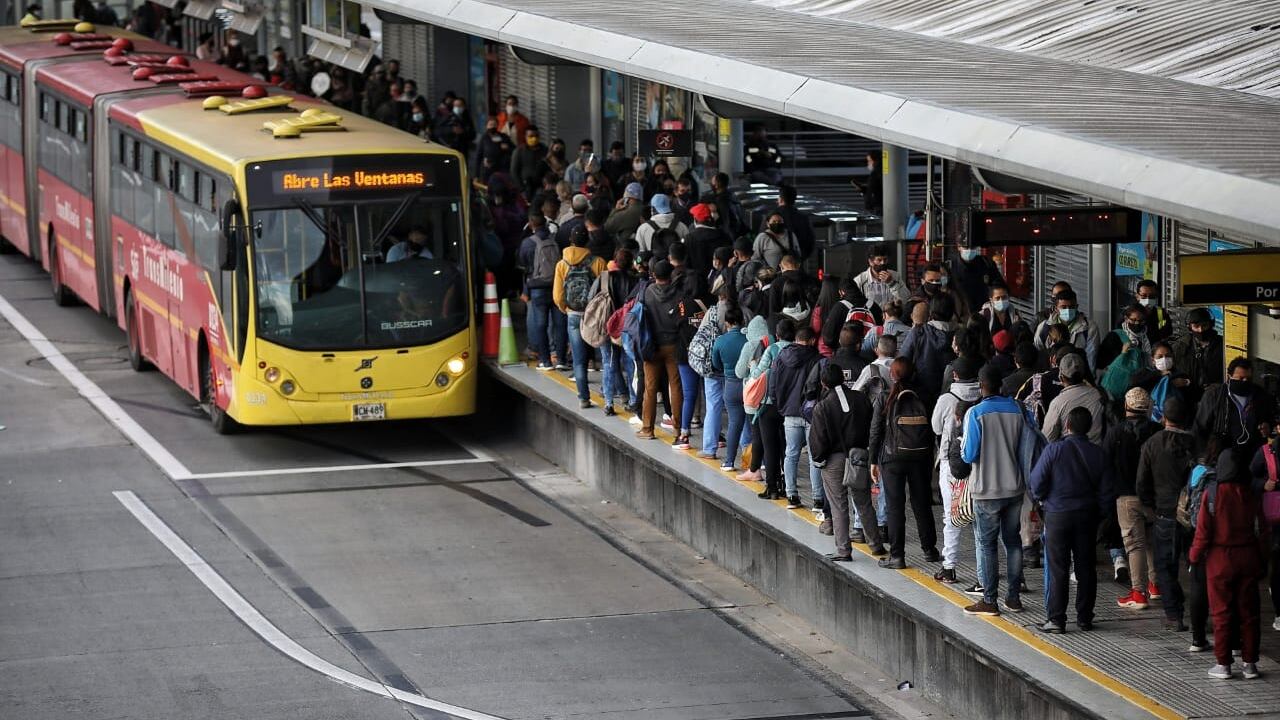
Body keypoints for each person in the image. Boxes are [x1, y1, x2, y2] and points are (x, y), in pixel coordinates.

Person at [1030, 407, 1114, 633]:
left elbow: (1036, 482)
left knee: (1059, 568)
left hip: (1057, 515)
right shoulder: (1098, 454)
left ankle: (1056, 620)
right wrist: (1101, 517)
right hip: (1087, 516)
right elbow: (1107, 492)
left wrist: (1042, 500)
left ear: (1067, 425)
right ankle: (1085, 617)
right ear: (1090, 427)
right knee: (1086, 567)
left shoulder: (1054, 450)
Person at [1191, 448, 1268, 680]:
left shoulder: (1212, 494)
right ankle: (1250, 664)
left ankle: (1223, 664)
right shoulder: (1251, 494)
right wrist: (1262, 560)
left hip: (1219, 560)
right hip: (1247, 558)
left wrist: (1194, 557)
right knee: (1249, 613)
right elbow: (1262, 531)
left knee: (1222, 613)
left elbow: (1203, 532)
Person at [960, 366, 1031, 616]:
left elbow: (969, 454)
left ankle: (989, 600)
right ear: (1000, 386)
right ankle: (1013, 598)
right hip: (1014, 488)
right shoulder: (1020, 410)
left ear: (981, 386)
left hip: (987, 489)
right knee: (1012, 541)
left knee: (986, 543)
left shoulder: (975, 413)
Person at [868, 357, 940, 569]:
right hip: (921, 457)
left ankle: (897, 556)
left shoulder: (885, 398)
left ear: (892, 375)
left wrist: (873, 460)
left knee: (895, 506)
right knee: (922, 502)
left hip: (892, 458)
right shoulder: (925, 396)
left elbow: (875, 431)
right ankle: (930, 550)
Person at [1136, 396, 1198, 631]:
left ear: (1164, 418)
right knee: (1196, 564)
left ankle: (1174, 615)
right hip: (1194, 516)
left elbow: (1142, 483)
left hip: (1165, 513)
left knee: (1165, 566)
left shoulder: (1152, 443)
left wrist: (1150, 506)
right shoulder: (1197, 444)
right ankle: (1199, 613)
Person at [810, 363, 883, 560]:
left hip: (833, 460)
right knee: (864, 502)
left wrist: (820, 459)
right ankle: (876, 544)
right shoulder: (861, 399)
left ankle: (843, 550)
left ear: (824, 383)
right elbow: (872, 426)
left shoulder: (822, 407)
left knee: (838, 504)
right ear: (843, 378)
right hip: (858, 458)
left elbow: (817, 442)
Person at [1107, 388, 1163, 610]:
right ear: (1148, 408)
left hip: (1126, 497)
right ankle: (1156, 585)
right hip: (1155, 497)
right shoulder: (1158, 432)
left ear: (1126, 407)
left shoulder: (1115, 433)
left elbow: (1106, 463)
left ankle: (1138, 593)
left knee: (1135, 545)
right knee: (1152, 542)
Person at [932, 357, 983, 583]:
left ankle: (949, 566)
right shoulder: (984, 396)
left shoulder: (947, 398)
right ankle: (985, 571)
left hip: (951, 463)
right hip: (980, 463)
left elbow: (935, 426)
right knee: (980, 518)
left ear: (954, 376)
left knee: (952, 514)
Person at [553, 227, 607, 408]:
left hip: (574, 315)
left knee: (579, 359)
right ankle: (611, 393)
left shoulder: (562, 264)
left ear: (570, 240)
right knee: (606, 356)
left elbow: (558, 295)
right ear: (588, 241)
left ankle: (584, 398)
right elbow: (605, 291)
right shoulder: (598, 262)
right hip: (595, 315)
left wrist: (566, 308)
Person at [772, 326, 823, 509]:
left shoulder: (781, 357)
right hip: (812, 414)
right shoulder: (818, 359)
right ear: (811, 341)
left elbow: (773, 382)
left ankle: (791, 495)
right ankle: (818, 499)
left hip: (789, 412)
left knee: (791, 454)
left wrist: (779, 404)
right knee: (814, 456)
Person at [637, 260, 686, 441]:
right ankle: (677, 428)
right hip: (673, 345)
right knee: (675, 386)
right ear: (671, 274)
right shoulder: (679, 294)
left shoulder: (647, 293)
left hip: (652, 346)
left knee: (650, 388)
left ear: (654, 275)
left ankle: (648, 428)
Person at [748, 318, 795, 499]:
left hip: (769, 404)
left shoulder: (772, 349)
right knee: (787, 447)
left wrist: (752, 363)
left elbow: (756, 374)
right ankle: (788, 485)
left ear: (778, 334)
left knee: (770, 445)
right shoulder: (799, 351)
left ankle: (772, 487)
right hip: (790, 405)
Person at [1195, 356, 1277, 457]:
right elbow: (1200, 427)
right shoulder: (1215, 396)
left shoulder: (1260, 395)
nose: (1245, 381)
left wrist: (1268, 427)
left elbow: (1271, 420)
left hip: (1252, 455)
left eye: (1248, 378)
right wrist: (1204, 456)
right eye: (1241, 378)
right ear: (1229, 377)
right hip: (1223, 455)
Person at [518, 212, 568, 371]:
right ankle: (560, 359)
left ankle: (545, 361)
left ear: (531, 224)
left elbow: (523, 263)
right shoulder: (555, 240)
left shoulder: (527, 243)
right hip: (556, 285)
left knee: (541, 324)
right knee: (559, 324)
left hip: (538, 288)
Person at [593, 247, 639, 415]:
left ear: (615, 261)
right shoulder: (636, 281)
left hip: (607, 325)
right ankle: (633, 401)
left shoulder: (604, 278)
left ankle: (608, 403)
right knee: (629, 363)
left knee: (609, 363)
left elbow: (591, 299)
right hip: (627, 327)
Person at [711, 306, 751, 470]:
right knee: (753, 424)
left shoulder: (720, 341)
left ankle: (729, 461)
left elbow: (715, 364)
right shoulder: (749, 339)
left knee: (735, 424)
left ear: (727, 323)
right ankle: (756, 462)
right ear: (742, 321)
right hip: (750, 385)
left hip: (731, 385)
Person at [900, 295, 957, 409]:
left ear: (930, 313)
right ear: (952, 313)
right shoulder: (959, 335)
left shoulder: (918, 332)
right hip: (951, 398)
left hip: (920, 396)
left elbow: (902, 361)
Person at [1249, 428, 1280, 632]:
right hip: (1276, 519)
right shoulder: (1267, 451)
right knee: (1277, 561)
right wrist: (1263, 484)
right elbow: (1249, 479)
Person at [1041, 352, 1106, 444]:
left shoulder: (1057, 403)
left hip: (1070, 454)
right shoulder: (1097, 394)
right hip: (1096, 452)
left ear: (1061, 377)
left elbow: (1047, 439)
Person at [1033, 289, 1101, 371]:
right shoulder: (1044, 327)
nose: (1068, 310)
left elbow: (1091, 357)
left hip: (1077, 376)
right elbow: (1038, 352)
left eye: (1071, 307)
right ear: (1056, 309)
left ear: (1077, 307)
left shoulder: (1089, 327)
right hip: (1050, 375)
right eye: (1063, 307)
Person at [950, 243, 1006, 313]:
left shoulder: (987, 264)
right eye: (966, 247)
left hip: (985, 314)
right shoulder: (951, 268)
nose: (969, 250)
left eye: (972, 247)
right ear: (959, 247)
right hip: (962, 316)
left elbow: (1000, 286)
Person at [853, 244, 909, 311]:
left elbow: (906, 298)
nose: (883, 263)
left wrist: (892, 283)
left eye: (885, 259)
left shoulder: (895, 276)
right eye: (879, 260)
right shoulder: (860, 280)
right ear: (871, 262)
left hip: (892, 318)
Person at [683, 203, 726, 279]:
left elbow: (686, 263)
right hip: (718, 279)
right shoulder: (722, 235)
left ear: (695, 220)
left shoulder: (689, 238)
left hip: (696, 280)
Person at [775, 185, 815, 260]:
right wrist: (801, 258)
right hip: (797, 260)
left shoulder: (770, 217)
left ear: (780, 200)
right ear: (794, 200)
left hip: (775, 262)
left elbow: (761, 238)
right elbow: (810, 241)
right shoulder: (803, 218)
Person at [510, 125, 548, 202]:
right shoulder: (519, 151)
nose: (534, 138)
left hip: (541, 188)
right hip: (525, 188)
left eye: (536, 136)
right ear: (525, 137)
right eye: (531, 136)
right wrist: (521, 189)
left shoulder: (544, 150)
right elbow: (514, 171)